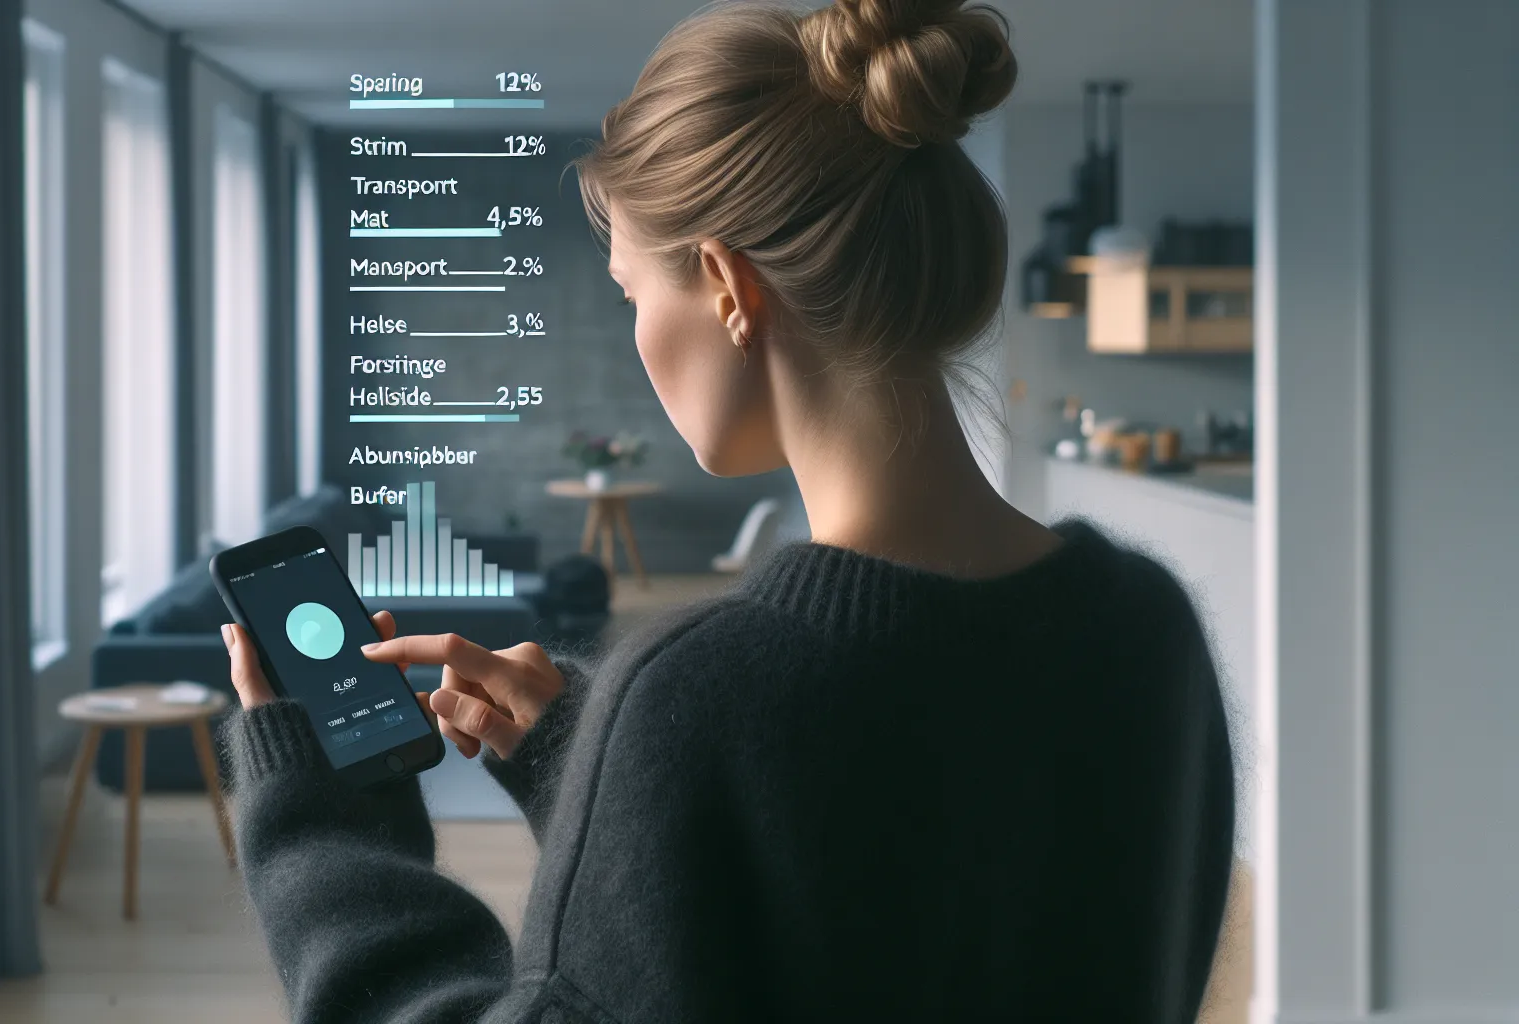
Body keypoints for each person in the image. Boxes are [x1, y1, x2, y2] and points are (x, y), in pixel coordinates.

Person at [219, 0, 1236, 1020]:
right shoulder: (1145, 627)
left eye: (630, 294)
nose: (634, 333)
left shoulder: (694, 698)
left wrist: (323, 822)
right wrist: (602, 770)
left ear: (726, 287)